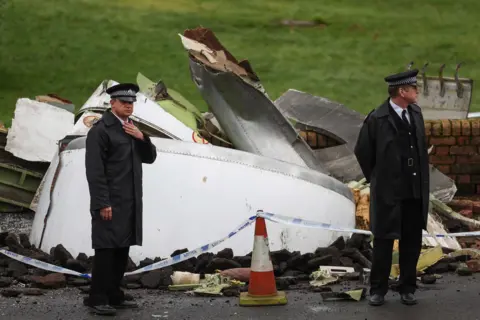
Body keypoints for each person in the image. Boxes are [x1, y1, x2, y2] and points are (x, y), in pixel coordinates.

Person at [354, 69, 430, 306]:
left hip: (414, 190)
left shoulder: (415, 113)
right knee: (384, 241)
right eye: (414, 88)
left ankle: (407, 287)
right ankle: (378, 290)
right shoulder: (378, 118)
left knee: (411, 240)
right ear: (402, 91)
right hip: (388, 191)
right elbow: (363, 152)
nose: (418, 91)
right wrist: (378, 178)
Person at [84, 83, 157, 315]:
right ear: (112, 103)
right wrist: (102, 202)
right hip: (110, 202)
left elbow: (150, 158)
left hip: (130, 200)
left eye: (131, 102)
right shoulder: (100, 130)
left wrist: (142, 137)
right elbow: (94, 171)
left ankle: (114, 294)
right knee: (105, 249)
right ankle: (97, 297)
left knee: (122, 248)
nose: (128, 105)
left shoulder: (131, 128)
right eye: (124, 102)